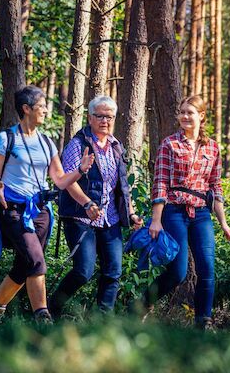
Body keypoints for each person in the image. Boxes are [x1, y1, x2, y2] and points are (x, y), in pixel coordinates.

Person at [0, 86, 94, 323]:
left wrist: (81, 170)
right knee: (36, 261)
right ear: (26, 108)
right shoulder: (6, 138)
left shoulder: (46, 142)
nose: (45, 110)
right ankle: (42, 318)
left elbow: (60, 180)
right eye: (41, 106)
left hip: (40, 212)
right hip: (12, 208)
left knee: (25, 266)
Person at [49, 96, 144, 316]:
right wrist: (87, 203)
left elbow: (121, 186)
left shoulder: (116, 146)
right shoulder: (78, 144)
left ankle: (103, 321)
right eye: (99, 116)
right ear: (90, 117)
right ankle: (51, 309)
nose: (104, 120)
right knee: (83, 271)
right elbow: (67, 181)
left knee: (113, 272)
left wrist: (130, 213)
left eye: (109, 116)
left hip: (110, 218)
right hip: (80, 218)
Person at [147, 95, 230, 328]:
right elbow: (160, 184)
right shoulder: (169, 145)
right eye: (182, 112)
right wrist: (156, 220)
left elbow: (216, 186)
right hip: (174, 210)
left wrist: (223, 222)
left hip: (202, 214)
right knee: (177, 271)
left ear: (201, 116)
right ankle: (140, 305)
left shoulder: (213, 148)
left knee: (207, 268)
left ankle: (203, 322)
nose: (185, 116)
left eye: (190, 112)